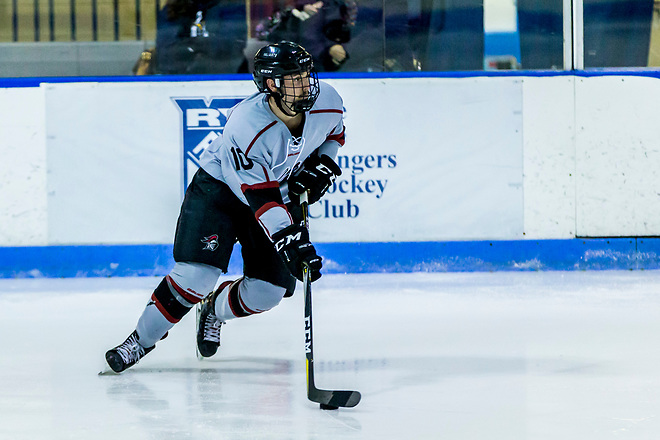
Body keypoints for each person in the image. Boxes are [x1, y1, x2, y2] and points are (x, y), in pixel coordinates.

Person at [104, 41, 345, 373]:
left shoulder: (328, 100)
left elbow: (334, 134)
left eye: (306, 75)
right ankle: (139, 341)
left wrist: (324, 166)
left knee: (267, 293)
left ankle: (213, 310)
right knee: (196, 276)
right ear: (271, 85)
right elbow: (260, 197)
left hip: (273, 193)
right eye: (294, 79)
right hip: (220, 193)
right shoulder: (247, 124)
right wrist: (289, 240)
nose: (305, 84)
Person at [153, 0, 247, 74]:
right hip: (180, 80)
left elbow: (229, 46)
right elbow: (166, 53)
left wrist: (191, 47)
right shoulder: (174, 7)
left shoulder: (231, 4)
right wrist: (200, 48)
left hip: (228, 79)